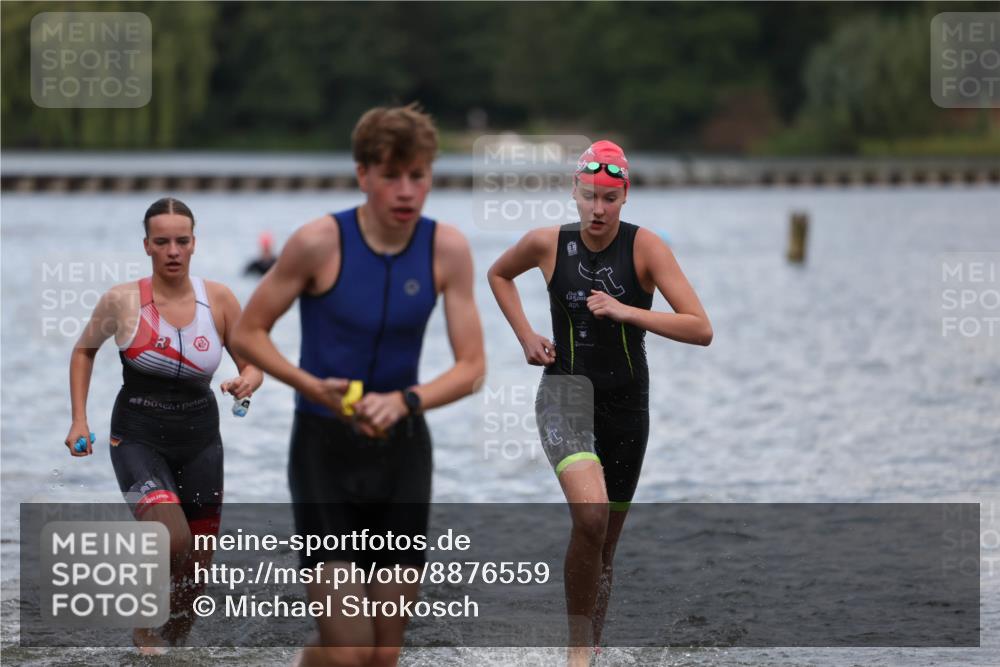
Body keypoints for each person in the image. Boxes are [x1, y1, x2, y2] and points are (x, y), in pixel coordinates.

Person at [232, 103, 485, 667]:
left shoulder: (447, 249)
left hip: (402, 455)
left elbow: (472, 368)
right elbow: (249, 331)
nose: (405, 191)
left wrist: (404, 401)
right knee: (350, 654)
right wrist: (308, 385)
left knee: (382, 657)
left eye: (417, 176)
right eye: (391, 175)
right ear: (362, 174)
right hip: (324, 449)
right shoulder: (319, 241)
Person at [487, 140, 712, 665]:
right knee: (589, 518)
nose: (598, 209)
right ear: (574, 191)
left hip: (628, 405)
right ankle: (577, 654)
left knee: (604, 548)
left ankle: (592, 647)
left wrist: (628, 311)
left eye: (609, 198)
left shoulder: (646, 249)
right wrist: (524, 335)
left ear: (625, 195)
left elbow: (700, 328)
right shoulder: (546, 244)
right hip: (564, 391)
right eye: (589, 196)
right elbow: (498, 275)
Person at [64, 197, 263, 653]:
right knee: (171, 536)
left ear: (194, 244)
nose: (173, 250)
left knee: (196, 571)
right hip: (136, 436)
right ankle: (141, 625)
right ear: (147, 247)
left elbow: (254, 365)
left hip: (201, 442)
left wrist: (245, 382)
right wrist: (79, 419)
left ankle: (170, 650)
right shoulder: (122, 300)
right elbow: (83, 350)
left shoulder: (220, 300)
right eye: (162, 242)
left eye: (182, 240)